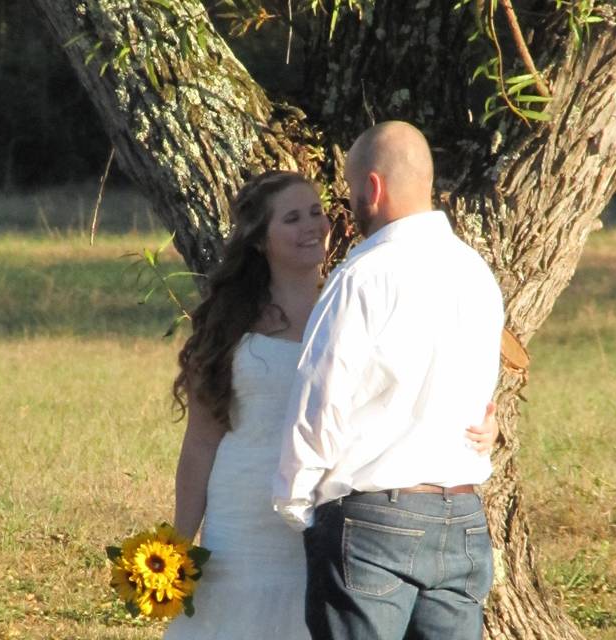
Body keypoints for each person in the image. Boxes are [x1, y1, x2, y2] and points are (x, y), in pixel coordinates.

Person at [165, 169, 498, 640]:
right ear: (260, 239)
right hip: (242, 513)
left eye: (317, 213)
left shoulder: (353, 295)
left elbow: (420, 380)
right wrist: (177, 542)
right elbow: (200, 439)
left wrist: (486, 421)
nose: (312, 226)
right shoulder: (229, 320)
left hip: (332, 510)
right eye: (292, 218)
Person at [274, 122, 505, 640]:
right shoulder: (476, 273)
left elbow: (322, 398)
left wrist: (299, 507)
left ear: (372, 189)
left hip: (374, 517)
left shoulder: (363, 275)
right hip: (463, 514)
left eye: (353, 192)